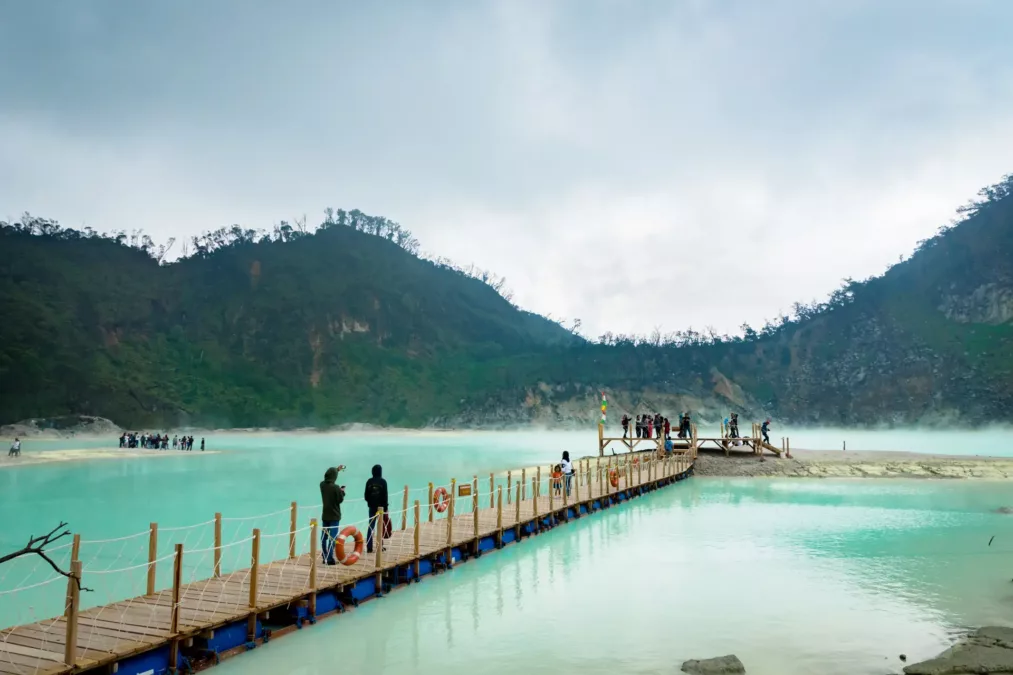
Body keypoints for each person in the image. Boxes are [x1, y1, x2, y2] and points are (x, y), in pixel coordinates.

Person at [320, 465, 346, 565]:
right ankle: (330, 559)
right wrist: (342, 492)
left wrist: (337, 469)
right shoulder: (335, 487)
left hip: (325, 515)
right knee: (332, 538)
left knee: (324, 537)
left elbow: (330, 474)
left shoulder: (322, 485)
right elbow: (340, 500)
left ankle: (324, 556)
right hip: (334, 516)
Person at [364, 464, 389, 554]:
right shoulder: (383, 482)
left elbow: (366, 496)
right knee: (380, 527)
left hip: (372, 507)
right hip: (381, 508)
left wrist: (370, 503)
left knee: (371, 526)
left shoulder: (369, 481)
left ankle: (369, 547)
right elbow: (385, 496)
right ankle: (380, 546)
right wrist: (386, 507)